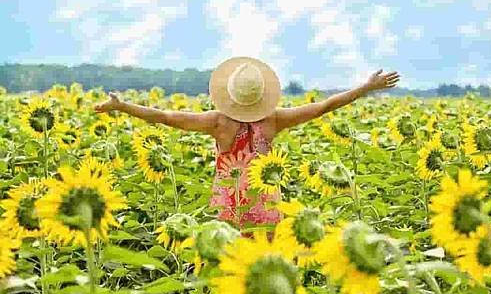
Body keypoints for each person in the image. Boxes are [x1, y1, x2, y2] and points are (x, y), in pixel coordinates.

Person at [95, 57, 399, 228]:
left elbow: (165, 116)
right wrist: (365, 88)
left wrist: (123, 106)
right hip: (267, 207)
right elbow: (324, 106)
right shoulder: (274, 120)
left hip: (231, 210)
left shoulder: (219, 122)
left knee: (231, 272)